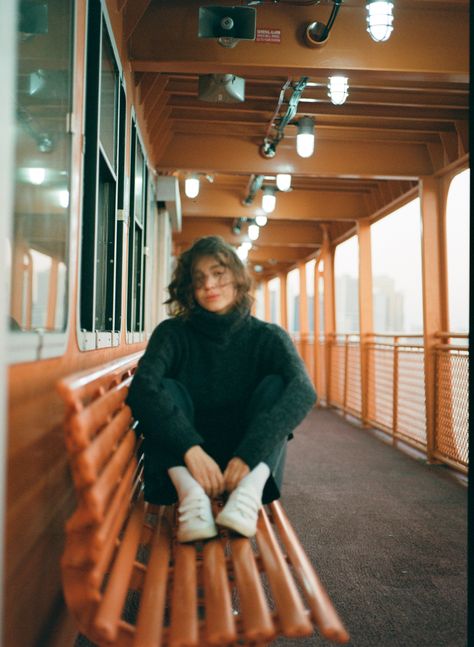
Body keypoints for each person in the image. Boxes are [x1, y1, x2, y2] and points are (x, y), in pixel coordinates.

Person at [126, 236, 316, 542]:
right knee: (162, 388)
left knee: (279, 386)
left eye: (218, 273)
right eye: (198, 278)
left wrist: (247, 456)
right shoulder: (172, 333)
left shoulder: (267, 337)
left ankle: (248, 495)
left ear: (238, 280)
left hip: (245, 461)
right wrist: (190, 449)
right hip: (186, 463)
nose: (209, 285)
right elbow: (142, 389)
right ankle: (192, 499)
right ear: (188, 287)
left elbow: (303, 391)